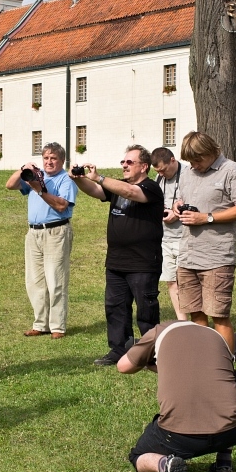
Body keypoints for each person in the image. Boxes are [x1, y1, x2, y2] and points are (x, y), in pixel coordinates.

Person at [117, 320, 236, 472]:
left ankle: (165, 465)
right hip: (233, 429)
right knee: (231, 381)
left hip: (179, 437)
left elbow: (123, 366)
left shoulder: (159, 331)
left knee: (138, 457)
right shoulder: (215, 336)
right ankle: (224, 461)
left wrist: (146, 361)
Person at [71, 145, 164, 366]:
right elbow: (94, 191)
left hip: (142, 262)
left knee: (146, 309)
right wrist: (78, 178)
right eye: (123, 162)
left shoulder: (150, 187)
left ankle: (152, 352)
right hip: (116, 262)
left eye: (129, 162)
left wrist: (100, 177)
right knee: (115, 307)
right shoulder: (118, 187)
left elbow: (131, 193)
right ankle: (118, 349)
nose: (124, 165)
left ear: (144, 166)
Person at [174, 131, 236, 356]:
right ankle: (204, 365)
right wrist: (178, 207)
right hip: (188, 255)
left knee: (219, 314)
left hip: (216, 257)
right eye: (190, 161)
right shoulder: (187, 173)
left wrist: (206, 217)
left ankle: (225, 368)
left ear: (212, 152)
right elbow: (181, 200)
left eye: (198, 160)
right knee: (195, 314)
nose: (194, 165)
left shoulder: (232, 171)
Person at [5, 142, 77, 338]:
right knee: (35, 281)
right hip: (34, 234)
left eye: (53, 158)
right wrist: (24, 169)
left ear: (62, 161)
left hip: (56, 232)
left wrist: (39, 189)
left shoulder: (65, 180)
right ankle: (40, 323)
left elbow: (62, 206)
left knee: (56, 279)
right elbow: (10, 185)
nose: (49, 162)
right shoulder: (37, 177)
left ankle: (57, 327)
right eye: (46, 158)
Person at [150, 147, 186, 320]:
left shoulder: (188, 174)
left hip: (185, 237)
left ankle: (198, 319)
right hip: (165, 238)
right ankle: (182, 320)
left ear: (173, 160)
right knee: (171, 281)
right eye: (158, 171)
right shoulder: (159, 178)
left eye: (163, 170)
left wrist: (176, 212)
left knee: (186, 281)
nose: (162, 174)